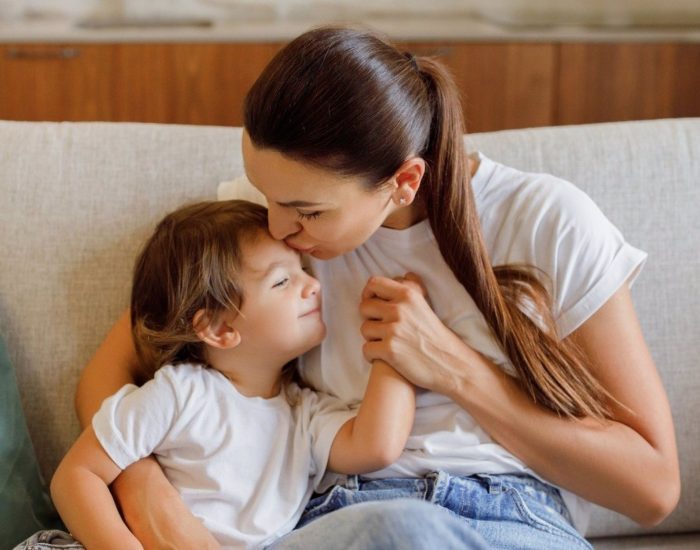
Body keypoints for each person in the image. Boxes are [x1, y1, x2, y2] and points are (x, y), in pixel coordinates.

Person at [73, 26, 679, 549]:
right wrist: (148, 493)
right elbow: (111, 373)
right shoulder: (257, 240)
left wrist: (457, 370)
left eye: (307, 212)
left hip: (508, 520)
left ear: (404, 181)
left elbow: (652, 489)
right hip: (335, 523)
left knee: (406, 536)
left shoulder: (546, 220)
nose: (279, 228)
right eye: (267, 196)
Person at [43, 200, 419, 549]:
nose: (313, 284)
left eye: (302, 270)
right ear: (220, 329)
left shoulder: (302, 415)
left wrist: (396, 343)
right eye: (282, 281)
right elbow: (76, 477)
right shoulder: (181, 394)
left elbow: (377, 446)